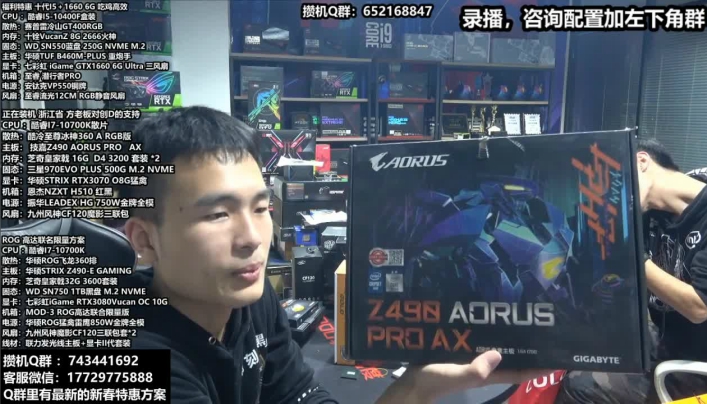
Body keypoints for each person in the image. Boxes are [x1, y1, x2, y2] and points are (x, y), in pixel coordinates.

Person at [119, 106, 548, 404]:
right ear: (144, 240)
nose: (252, 238)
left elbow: (300, 396)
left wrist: (419, 387)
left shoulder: (248, 300)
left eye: (261, 208)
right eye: (217, 214)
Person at [557, 138, 707, 403]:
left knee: (581, 385)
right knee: (579, 352)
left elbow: (699, 307)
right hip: (666, 342)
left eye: (611, 186)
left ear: (640, 161)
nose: (610, 199)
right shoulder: (652, 213)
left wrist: (632, 254)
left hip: (701, 369)